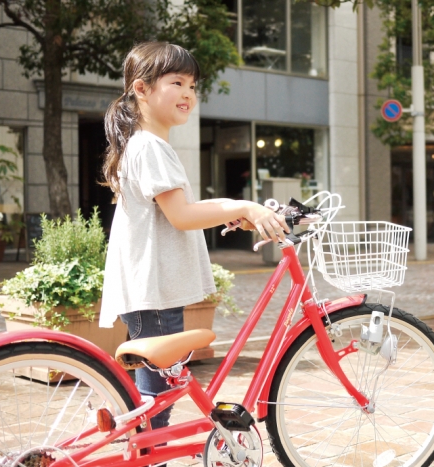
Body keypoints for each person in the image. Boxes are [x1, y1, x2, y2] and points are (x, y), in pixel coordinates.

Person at [99, 42, 289, 434]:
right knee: (159, 396)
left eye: (192, 85)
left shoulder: (145, 144)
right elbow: (182, 216)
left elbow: (181, 207)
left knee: (159, 389)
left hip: (152, 287)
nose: (188, 93)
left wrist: (240, 208)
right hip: (155, 289)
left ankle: (147, 449)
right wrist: (244, 206)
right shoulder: (149, 146)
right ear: (141, 89)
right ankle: (150, 457)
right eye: (177, 82)